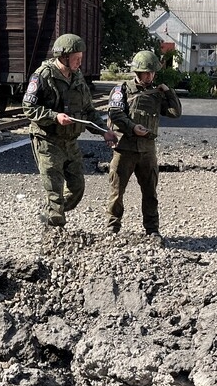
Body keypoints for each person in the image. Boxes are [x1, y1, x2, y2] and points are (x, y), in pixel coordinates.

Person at [23, 33, 117, 228]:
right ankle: (55, 230)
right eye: (76, 58)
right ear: (63, 56)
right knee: (54, 188)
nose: (79, 62)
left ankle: (51, 212)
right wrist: (54, 116)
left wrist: (103, 131)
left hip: (71, 142)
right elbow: (29, 108)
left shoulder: (78, 77)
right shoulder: (43, 76)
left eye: (81, 58)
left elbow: (89, 111)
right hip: (48, 141)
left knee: (77, 188)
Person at [105, 50, 182, 241]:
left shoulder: (156, 94)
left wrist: (169, 92)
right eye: (145, 73)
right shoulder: (121, 90)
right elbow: (115, 113)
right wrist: (132, 127)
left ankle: (152, 229)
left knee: (150, 192)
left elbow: (174, 113)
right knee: (117, 191)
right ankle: (112, 228)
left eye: (152, 73)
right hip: (125, 150)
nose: (149, 76)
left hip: (148, 151)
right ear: (137, 72)